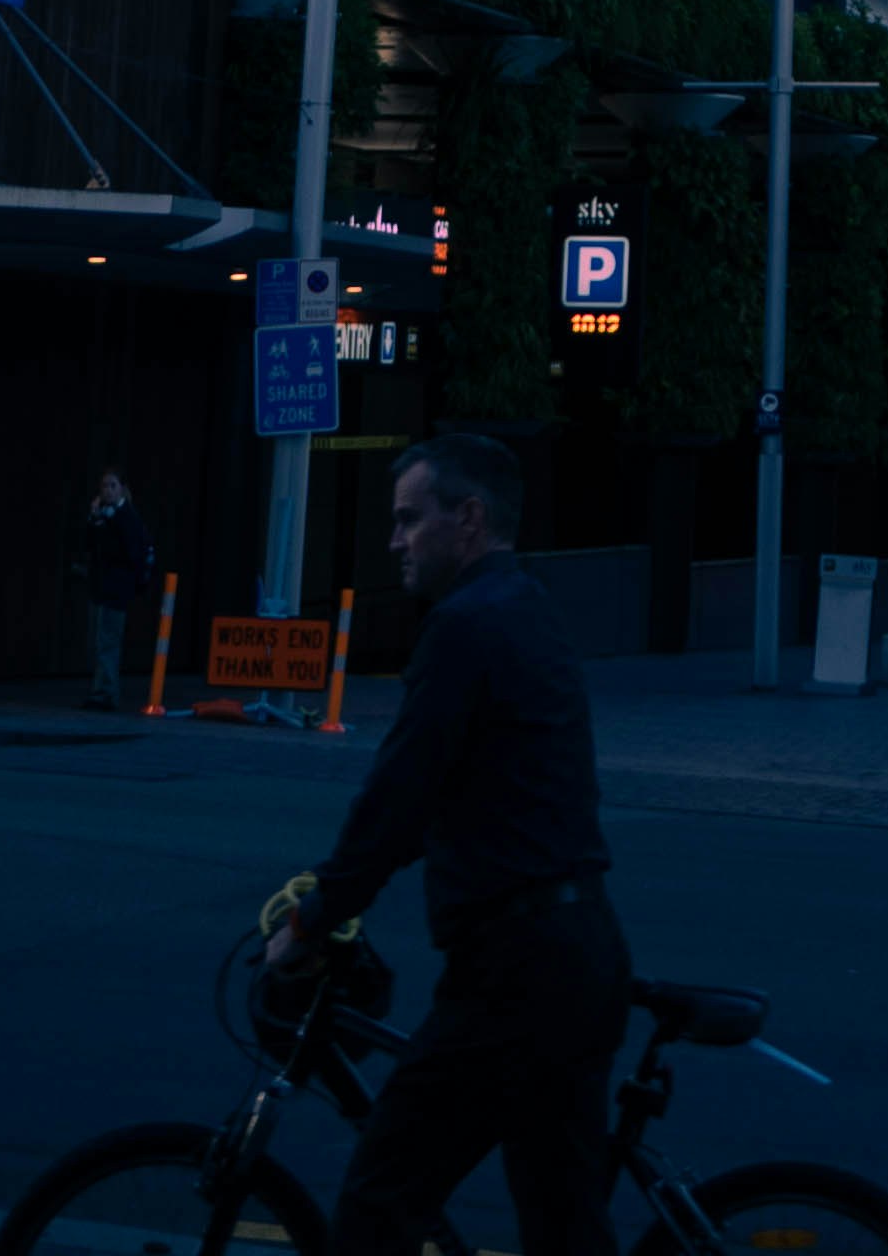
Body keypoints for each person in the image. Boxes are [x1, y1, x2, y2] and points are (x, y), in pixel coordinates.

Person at [262, 428, 631, 1256]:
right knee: (563, 1223)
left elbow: (399, 794)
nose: (394, 540)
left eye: (408, 518)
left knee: (381, 1199)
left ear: (468, 519)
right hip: (577, 950)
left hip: (516, 969)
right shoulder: (525, 606)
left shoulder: (463, 627)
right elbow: (468, 791)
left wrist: (317, 914)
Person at [79, 469, 156, 714]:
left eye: (112, 486)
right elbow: (90, 545)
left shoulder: (125, 518)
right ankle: (100, 690)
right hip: (101, 587)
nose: (107, 491)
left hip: (115, 589)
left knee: (108, 642)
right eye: (104, 486)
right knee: (99, 641)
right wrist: (95, 518)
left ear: (122, 488)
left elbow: (127, 554)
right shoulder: (104, 517)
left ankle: (106, 693)